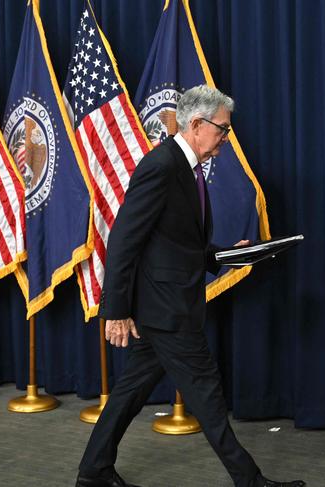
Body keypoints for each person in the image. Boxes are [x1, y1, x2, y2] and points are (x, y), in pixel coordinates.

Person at [76, 85, 305, 487]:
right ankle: (249, 480)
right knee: (207, 395)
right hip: (168, 310)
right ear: (197, 125)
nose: (226, 138)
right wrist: (116, 309)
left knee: (130, 391)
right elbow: (125, 240)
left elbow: (176, 244)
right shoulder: (161, 166)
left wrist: (224, 255)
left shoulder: (188, 169)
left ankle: (93, 471)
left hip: (169, 303)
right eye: (223, 129)